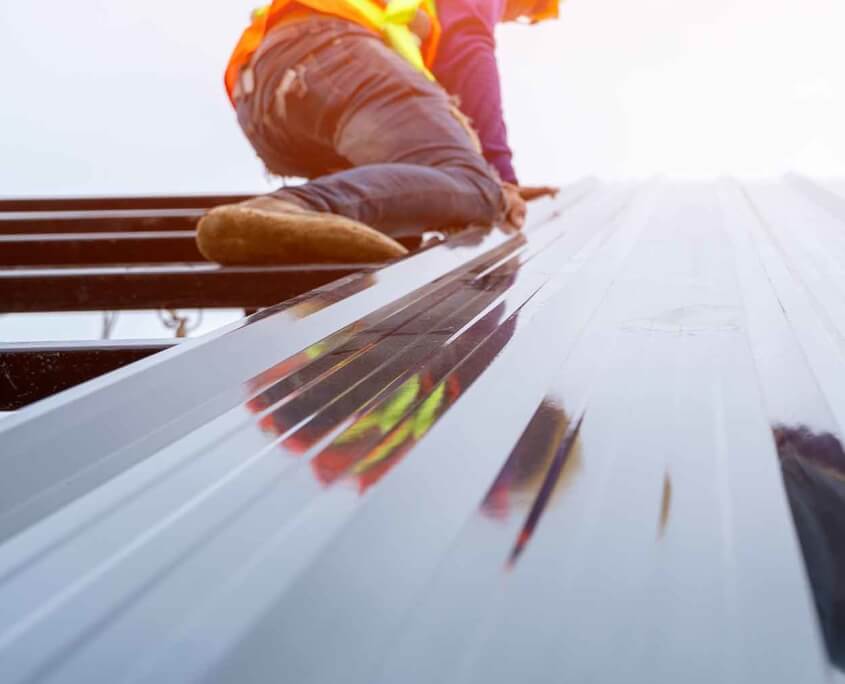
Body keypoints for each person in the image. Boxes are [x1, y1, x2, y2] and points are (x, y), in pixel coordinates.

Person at [197, 0, 561, 265]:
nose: (518, 18)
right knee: (477, 186)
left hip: (268, 108)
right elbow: (468, 50)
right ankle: (289, 208)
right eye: (530, 13)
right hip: (331, 57)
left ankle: (289, 235)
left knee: (403, 210)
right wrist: (500, 179)